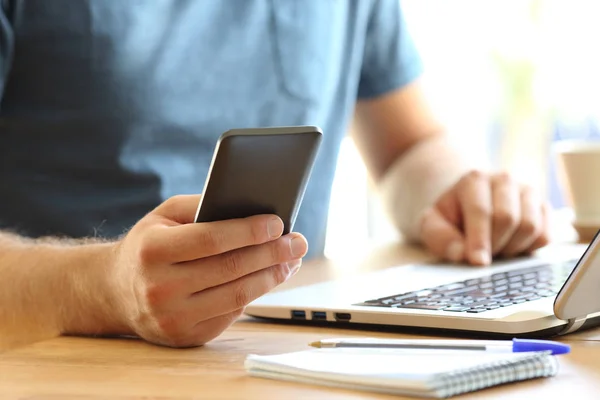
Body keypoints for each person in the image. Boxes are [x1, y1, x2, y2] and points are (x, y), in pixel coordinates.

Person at [0, 0, 549, 349]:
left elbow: (412, 144)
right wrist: (104, 287)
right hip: (73, 369)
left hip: (289, 360)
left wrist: (458, 191)